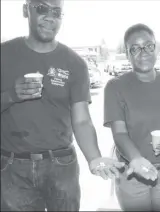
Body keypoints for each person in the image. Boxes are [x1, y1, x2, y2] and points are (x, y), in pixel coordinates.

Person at [0, 0, 124, 211]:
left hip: (61, 165)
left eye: (57, 12)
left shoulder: (74, 63)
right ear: (25, 10)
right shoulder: (4, 54)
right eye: (42, 8)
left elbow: (82, 120)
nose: (50, 17)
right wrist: (11, 95)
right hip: (13, 167)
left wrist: (94, 158)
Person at [103, 23, 160, 211]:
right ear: (127, 54)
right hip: (132, 174)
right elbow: (119, 133)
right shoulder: (116, 86)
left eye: (148, 46)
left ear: (156, 48)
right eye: (134, 48)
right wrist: (136, 160)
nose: (142, 52)